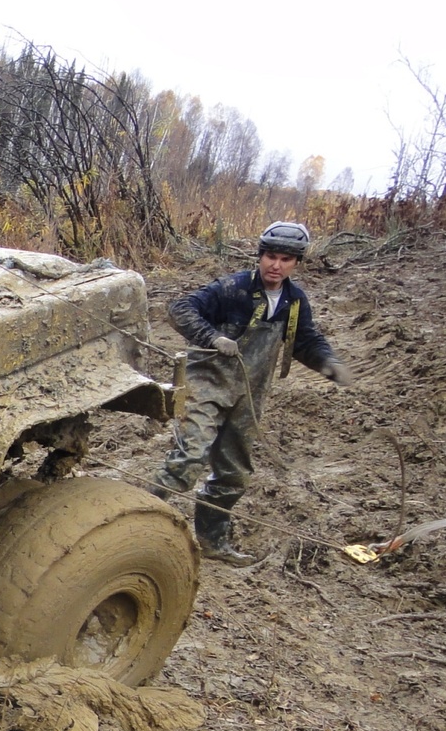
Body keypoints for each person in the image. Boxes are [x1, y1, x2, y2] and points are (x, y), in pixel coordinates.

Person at [148, 221, 352, 566]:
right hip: (206, 384)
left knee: (234, 473)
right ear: (259, 256)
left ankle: (212, 542)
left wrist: (331, 366)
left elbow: (305, 341)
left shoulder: (294, 301)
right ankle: (140, 526)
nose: (276, 265)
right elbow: (180, 309)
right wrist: (213, 337)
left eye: (286, 259)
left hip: (250, 393)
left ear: (296, 263)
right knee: (190, 457)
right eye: (271, 256)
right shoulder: (231, 289)